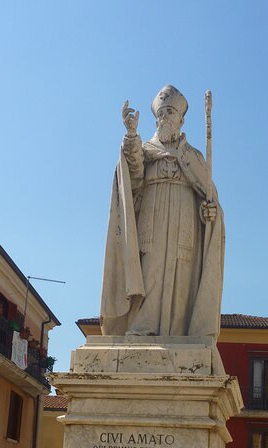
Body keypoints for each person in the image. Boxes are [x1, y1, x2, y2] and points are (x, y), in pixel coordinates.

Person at [100, 85, 225, 339]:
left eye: (171, 112)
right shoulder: (146, 151)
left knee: (182, 277)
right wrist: (131, 135)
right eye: (162, 112)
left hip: (184, 222)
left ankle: (178, 333)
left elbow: (207, 198)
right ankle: (142, 327)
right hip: (152, 218)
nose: (165, 117)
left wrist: (208, 213)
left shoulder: (193, 156)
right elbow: (133, 172)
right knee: (151, 270)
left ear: (181, 120)